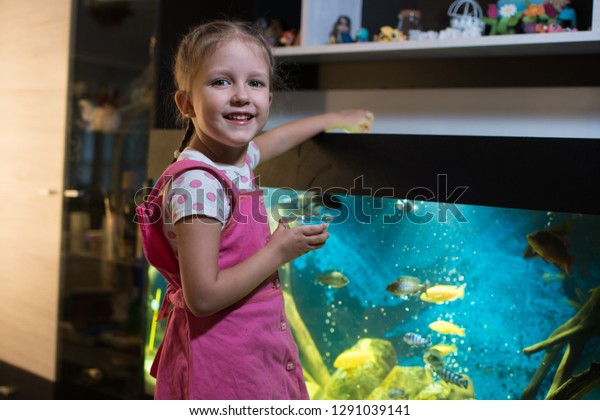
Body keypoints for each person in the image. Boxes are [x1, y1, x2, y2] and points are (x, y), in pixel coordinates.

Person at [137, 20, 374, 400]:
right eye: (221, 82)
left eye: (256, 83)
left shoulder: (233, 161)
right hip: (220, 365)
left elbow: (273, 140)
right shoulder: (199, 184)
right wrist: (278, 251)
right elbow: (203, 297)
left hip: (246, 351)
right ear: (186, 103)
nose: (242, 96)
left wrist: (334, 119)